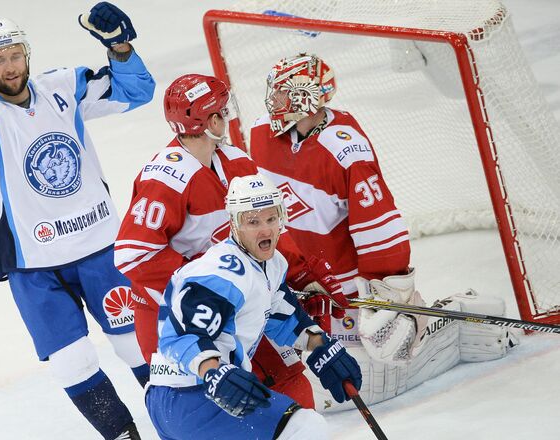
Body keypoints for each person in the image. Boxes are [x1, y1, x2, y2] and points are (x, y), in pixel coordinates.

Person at [0, 3, 154, 438]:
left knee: (135, 344)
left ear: (27, 54)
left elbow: (137, 91)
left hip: (99, 247)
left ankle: (176, 417)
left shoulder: (65, 86)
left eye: (14, 55)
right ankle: (122, 434)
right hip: (32, 266)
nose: (9, 67)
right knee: (72, 362)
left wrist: (120, 47)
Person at [249, 53, 519, 410]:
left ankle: (457, 323)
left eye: (283, 95)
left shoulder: (345, 148)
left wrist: (391, 291)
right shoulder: (259, 135)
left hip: (344, 287)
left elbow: (378, 223)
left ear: (308, 97)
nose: (274, 103)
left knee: (355, 387)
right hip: (295, 280)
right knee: (289, 377)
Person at [114, 73, 344, 408]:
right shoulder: (165, 180)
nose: (228, 115)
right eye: (222, 110)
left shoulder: (234, 160)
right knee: (221, 414)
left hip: (236, 305)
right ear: (209, 120)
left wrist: (299, 276)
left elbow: (265, 222)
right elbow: (132, 255)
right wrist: (212, 285)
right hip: (178, 323)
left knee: (292, 390)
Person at [145, 173, 362, 440]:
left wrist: (321, 345)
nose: (266, 230)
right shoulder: (222, 273)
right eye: (253, 222)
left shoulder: (272, 264)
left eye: (271, 219)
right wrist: (213, 372)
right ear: (235, 225)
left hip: (186, 397)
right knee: (305, 427)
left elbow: (283, 315)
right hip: (188, 396)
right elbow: (180, 337)